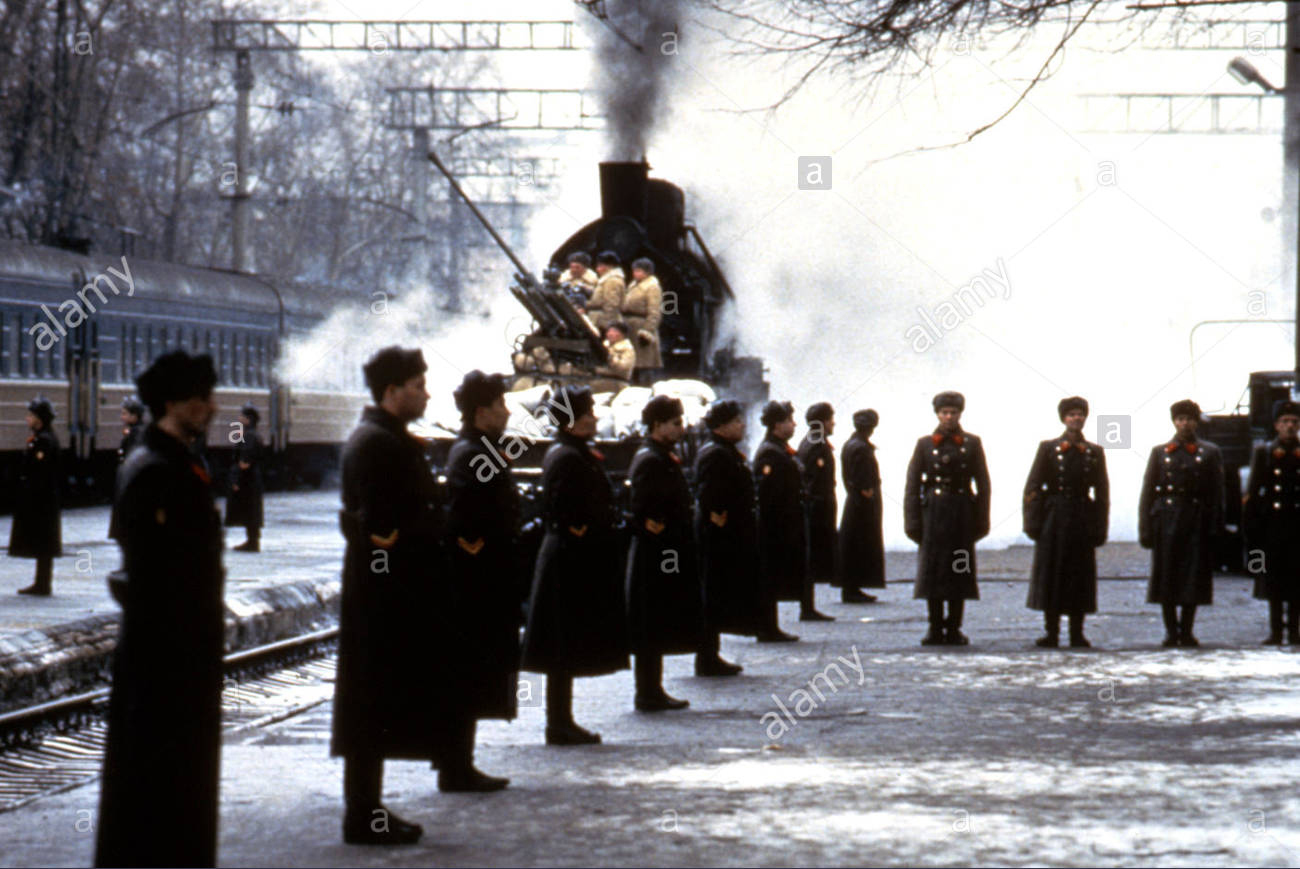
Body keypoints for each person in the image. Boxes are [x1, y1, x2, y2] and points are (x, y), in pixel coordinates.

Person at [95, 351, 224, 868]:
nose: (212, 407)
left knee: (178, 785)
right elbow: (150, 574)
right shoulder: (155, 469)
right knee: (158, 788)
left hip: (179, 655)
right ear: (174, 403)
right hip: (163, 658)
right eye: (202, 398)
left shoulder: (174, 462)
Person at [333, 346, 447, 846]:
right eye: (419, 386)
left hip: (381, 589)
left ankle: (367, 810)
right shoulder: (378, 444)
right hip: (382, 595)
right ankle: (364, 816)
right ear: (392, 390)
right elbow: (383, 530)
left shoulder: (383, 437)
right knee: (369, 703)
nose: (426, 394)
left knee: (374, 702)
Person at [521, 385, 629, 744]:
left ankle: (562, 720)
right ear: (571, 421)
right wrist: (583, 533)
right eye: (587, 414)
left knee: (565, 642)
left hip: (571, 554)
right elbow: (565, 509)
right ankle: (558, 723)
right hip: (570, 557)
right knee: (562, 644)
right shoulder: (567, 456)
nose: (594, 419)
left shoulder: (572, 451)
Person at [441, 370, 520, 791]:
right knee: (468, 670)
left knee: (473, 670)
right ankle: (456, 767)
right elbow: (467, 520)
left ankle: (459, 763)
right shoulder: (473, 454)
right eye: (500, 405)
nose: (507, 412)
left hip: (484, 576)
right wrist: (484, 561)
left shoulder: (479, 449)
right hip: (476, 581)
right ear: (481, 412)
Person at [626, 395, 701, 711]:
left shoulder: (661, 456)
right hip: (656, 553)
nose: (681, 429)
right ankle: (647, 692)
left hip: (664, 550)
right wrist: (668, 549)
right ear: (658, 425)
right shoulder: (650, 459)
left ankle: (652, 689)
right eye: (675, 423)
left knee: (655, 620)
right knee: (650, 620)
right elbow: (646, 511)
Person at [904, 391, 991, 646]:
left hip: (962, 514)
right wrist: (912, 522)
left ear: (960, 414)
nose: (949, 417)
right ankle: (934, 627)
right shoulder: (924, 444)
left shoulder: (972, 443)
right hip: (933, 514)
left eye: (953, 412)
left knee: (958, 570)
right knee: (933, 571)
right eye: (944, 412)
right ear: (937, 414)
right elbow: (912, 486)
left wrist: (981, 521)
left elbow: (983, 484)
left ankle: (954, 627)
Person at [1022, 397, 1109, 648]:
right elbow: (1033, 487)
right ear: (1063, 419)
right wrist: (1033, 522)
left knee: (1078, 575)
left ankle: (1077, 633)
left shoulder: (1094, 452)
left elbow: (1102, 493)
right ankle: (1051, 632)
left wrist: (1099, 527)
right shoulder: (1048, 449)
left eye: (1080, 414)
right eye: (1071, 415)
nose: (1076, 419)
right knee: (1053, 574)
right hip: (1054, 519)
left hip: (1081, 517)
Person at [1139, 399, 1224, 647]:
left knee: (1192, 576)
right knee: (1167, 575)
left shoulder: (1209, 452)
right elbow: (1147, 493)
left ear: (1196, 422)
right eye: (1180, 419)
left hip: (1196, 521)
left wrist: (1216, 526)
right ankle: (1170, 631)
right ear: (1174, 422)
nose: (1185, 424)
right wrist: (1145, 528)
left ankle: (1187, 630)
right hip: (1166, 521)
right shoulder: (1160, 453)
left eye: (1189, 419)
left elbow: (1217, 493)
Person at [692, 399, 759, 676]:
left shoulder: (724, 450)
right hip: (718, 537)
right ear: (722, 425)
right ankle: (706, 657)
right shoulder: (715, 453)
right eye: (736, 421)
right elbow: (712, 496)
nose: (742, 425)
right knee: (712, 595)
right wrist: (721, 525)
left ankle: (711, 654)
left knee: (718, 596)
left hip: (726, 533)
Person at [755, 400, 831, 635]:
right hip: (777, 524)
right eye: (789, 420)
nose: (794, 424)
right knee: (771, 575)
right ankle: (767, 627)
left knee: (786, 571)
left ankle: (773, 625)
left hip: (791, 519)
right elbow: (767, 493)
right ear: (777, 424)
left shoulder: (780, 448)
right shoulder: (770, 452)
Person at [1244, 400, 1300, 644]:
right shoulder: (1264, 452)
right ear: (1276, 425)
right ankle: (1276, 631)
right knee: (1274, 579)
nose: (1290, 426)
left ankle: (1295, 631)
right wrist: (1252, 528)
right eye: (1285, 422)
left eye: (1294, 422)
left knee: (1297, 580)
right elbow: (1253, 493)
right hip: (1273, 526)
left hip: (1297, 526)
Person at [11, 397, 61, 596]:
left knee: (44, 542)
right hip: (44, 498)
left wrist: (30, 495)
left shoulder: (44, 441)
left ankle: (43, 584)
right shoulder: (43, 438)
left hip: (42, 499)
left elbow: (40, 473)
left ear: (39, 419)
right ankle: (41, 582)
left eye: (31, 415)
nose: (27, 419)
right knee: (43, 541)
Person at [838, 409, 884, 603]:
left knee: (853, 545)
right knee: (859, 544)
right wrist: (867, 491)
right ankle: (852, 588)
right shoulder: (861, 448)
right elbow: (863, 479)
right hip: (862, 503)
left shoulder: (851, 444)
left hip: (854, 501)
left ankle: (852, 587)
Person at [797, 402, 838, 597]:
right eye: (830, 419)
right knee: (813, 557)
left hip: (818, 506)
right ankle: (808, 604)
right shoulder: (816, 446)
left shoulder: (813, 442)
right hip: (818, 509)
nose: (833, 423)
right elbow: (813, 481)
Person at [225, 403, 264, 553]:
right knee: (251, 510)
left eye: (242, 416)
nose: (239, 418)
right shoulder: (254, 435)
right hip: (252, 478)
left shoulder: (249, 436)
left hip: (247, 479)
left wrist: (236, 479)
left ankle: (252, 543)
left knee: (249, 510)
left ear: (248, 419)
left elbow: (244, 461)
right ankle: (252, 541)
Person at [107, 397, 145, 543]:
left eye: (125, 413)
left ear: (134, 416)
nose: (122, 417)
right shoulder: (135, 432)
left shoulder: (135, 433)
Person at [620, 257, 663, 380]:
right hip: (630, 326)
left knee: (644, 362)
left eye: (639, 271)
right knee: (632, 362)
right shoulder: (633, 285)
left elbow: (654, 311)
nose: (635, 273)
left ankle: (645, 384)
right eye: (634, 270)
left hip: (641, 326)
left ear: (647, 272)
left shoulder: (652, 287)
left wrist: (647, 330)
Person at [588, 251, 626, 332]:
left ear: (609, 266)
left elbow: (611, 305)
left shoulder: (612, 280)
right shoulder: (607, 279)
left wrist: (606, 325)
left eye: (600, 266)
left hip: (603, 322)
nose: (597, 269)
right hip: (598, 318)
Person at [593, 321, 636, 387]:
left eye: (614, 331)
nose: (610, 334)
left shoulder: (627, 349)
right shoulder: (605, 345)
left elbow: (622, 369)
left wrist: (610, 356)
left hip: (617, 382)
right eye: (609, 331)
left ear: (622, 335)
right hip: (600, 378)